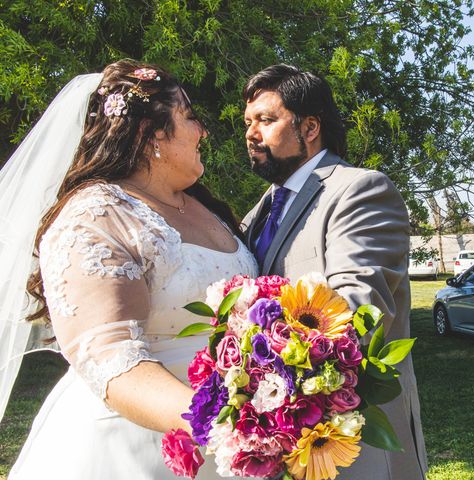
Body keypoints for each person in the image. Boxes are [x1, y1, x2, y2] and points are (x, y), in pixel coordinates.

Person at [4, 59, 257, 479]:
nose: (203, 132)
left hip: (230, 443)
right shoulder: (96, 214)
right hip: (136, 447)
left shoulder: (208, 211)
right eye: (190, 118)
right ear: (151, 132)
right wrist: (230, 426)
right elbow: (112, 360)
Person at [242, 64, 428, 479]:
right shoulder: (260, 211)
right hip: (281, 442)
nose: (252, 134)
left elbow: (359, 308)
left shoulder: (360, 190)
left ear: (310, 128)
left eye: (267, 121)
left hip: (353, 440)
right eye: (248, 122)